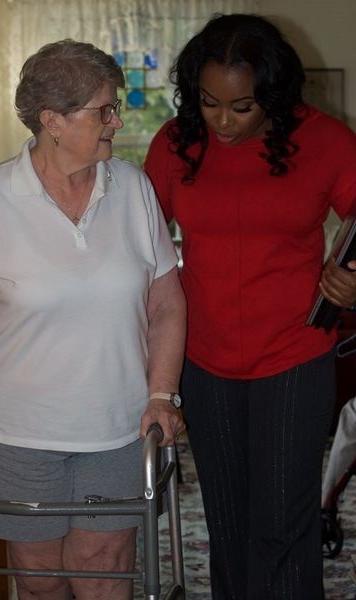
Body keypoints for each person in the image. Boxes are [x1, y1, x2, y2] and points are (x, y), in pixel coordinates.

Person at [0, 39, 186, 600]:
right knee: (39, 578)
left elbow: (166, 300)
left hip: (118, 423)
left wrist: (162, 395)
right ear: (52, 120)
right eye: (103, 110)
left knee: (103, 568)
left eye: (115, 107)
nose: (117, 121)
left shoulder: (133, 189)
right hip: (14, 429)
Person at [144, 13, 356, 600]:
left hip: (294, 357)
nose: (223, 121)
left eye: (242, 107)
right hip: (204, 360)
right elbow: (138, 244)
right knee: (227, 522)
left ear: (274, 93)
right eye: (209, 102)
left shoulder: (326, 141)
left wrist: (352, 278)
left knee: (282, 523)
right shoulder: (176, 143)